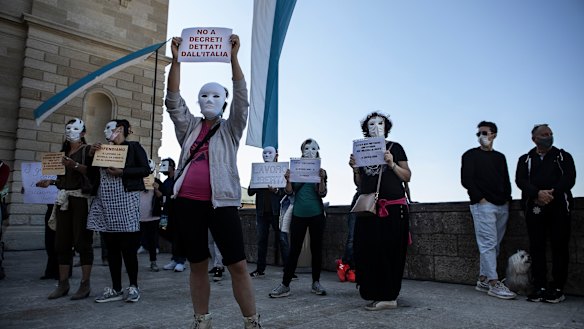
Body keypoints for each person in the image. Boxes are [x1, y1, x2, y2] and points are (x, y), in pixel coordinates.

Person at [165, 35, 261, 328]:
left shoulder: (231, 129)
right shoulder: (189, 127)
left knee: (238, 265)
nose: (209, 100)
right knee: (197, 265)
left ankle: (251, 321)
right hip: (188, 204)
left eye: (216, 96)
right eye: (204, 95)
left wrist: (234, 57)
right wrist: (177, 59)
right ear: (198, 101)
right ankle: (202, 320)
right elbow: (172, 99)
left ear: (224, 102)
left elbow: (243, 99)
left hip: (222, 204)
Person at [349, 112, 411, 311]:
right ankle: (374, 291)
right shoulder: (362, 150)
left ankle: (389, 295)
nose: (376, 126)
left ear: (386, 126)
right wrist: (355, 168)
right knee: (366, 250)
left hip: (393, 208)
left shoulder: (395, 147)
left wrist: (391, 164)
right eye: (372, 123)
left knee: (390, 251)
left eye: (380, 123)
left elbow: (407, 176)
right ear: (366, 129)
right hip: (370, 209)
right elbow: (360, 184)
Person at [87, 119, 150, 303]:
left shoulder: (134, 147)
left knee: (128, 248)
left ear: (120, 129)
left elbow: (145, 169)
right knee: (111, 248)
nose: (106, 131)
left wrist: (122, 172)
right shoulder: (102, 149)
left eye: (110, 127)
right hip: (105, 200)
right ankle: (115, 288)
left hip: (126, 200)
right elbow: (92, 175)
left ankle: (133, 286)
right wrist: (91, 156)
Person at [515, 124, 576, 303]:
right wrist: (537, 194)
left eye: (550, 134)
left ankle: (557, 288)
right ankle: (539, 286)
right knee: (537, 246)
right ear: (534, 139)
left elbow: (569, 178)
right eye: (544, 134)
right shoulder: (525, 159)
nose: (548, 136)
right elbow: (521, 180)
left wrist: (551, 194)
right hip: (534, 207)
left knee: (559, 247)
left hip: (559, 207)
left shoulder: (563, 156)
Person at [35, 118, 94, 300]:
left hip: (80, 200)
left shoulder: (88, 150)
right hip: (64, 200)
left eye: (75, 128)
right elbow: (62, 179)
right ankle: (63, 284)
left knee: (82, 241)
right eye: (67, 128)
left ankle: (85, 285)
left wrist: (74, 165)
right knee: (61, 242)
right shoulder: (63, 152)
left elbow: (93, 173)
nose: (70, 131)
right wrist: (51, 182)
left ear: (83, 133)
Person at [461, 121, 516, 300]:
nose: (481, 136)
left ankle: (483, 279)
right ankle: (494, 283)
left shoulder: (500, 157)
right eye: (479, 134)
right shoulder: (469, 155)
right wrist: (481, 199)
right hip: (483, 205)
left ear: (494, 135)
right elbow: (466, 179)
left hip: (502, 205)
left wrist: (507, 199)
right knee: (488, 243)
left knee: (495, 244)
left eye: (485, 133)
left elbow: (506, 179)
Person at [269, 138, 328, 298]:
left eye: (313, 148)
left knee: (316, 250)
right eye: (306, 148)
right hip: (298, 215)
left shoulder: (320, 171)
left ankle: (316, 282)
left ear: (317, 151)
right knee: (294, 250)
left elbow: (322, 193)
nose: (310, 151)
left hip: (316, 214)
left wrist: (321, 179)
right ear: (302, 151)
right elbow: (289, 192)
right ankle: (285, 284)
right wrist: (288, 180)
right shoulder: (295, 170)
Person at [248, 146, 289, 278]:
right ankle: (260, 269)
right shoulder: (259, 172)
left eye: (269, 153)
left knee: (282, 240)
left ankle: (289, 270)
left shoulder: (280, 171)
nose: (266, 155)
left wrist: (276, 191)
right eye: (264, 153)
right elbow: (250, 192)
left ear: (276, 155)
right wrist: (254, 178)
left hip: (276, 212)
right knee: (261, 241)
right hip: (261, 213)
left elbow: (286, 192)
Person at [157, 158, 187, 272]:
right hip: (166, 212)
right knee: (163, 230)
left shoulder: (178, 179)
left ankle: (180, 261)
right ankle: (175, 258)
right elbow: (162, 196)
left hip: (177, 212)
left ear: (172, 167)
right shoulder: (165, 182)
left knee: (178, 236)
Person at [139, 159, 162, 272]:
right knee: (134, 242)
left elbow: (161, 197)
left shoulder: (157, 181)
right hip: (138, 217)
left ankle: (153, 262)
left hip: (153, 216)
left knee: (152, 241)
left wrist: (156, 189)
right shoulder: (136, 181)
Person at [335, 189, 359, 283]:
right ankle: (345, 264)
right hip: (361, 199)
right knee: (352, 237)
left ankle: (351, 267)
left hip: (377, 199)